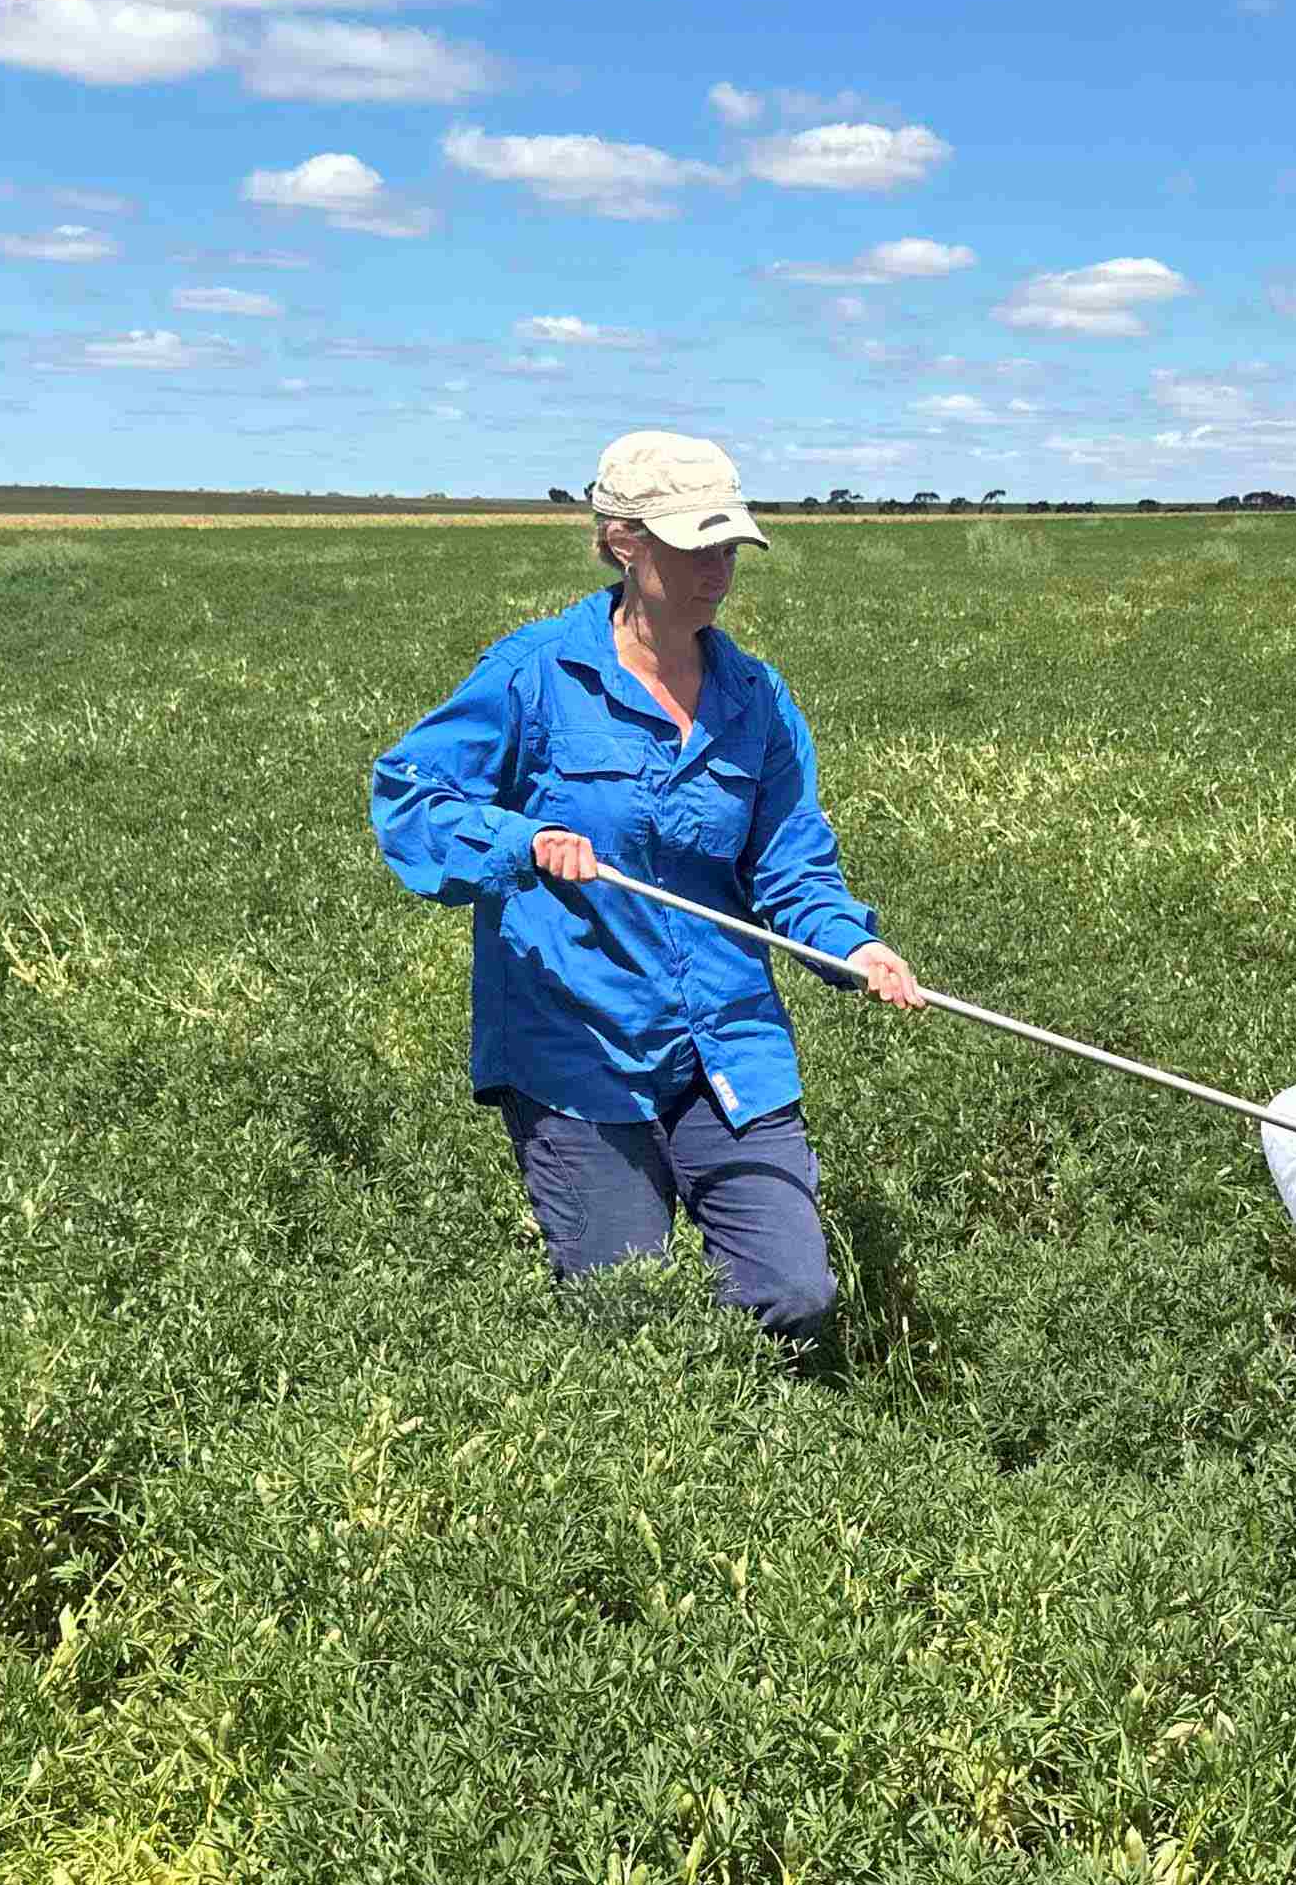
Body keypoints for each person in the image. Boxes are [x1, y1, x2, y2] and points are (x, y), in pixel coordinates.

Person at [371, 430, 924, 1356]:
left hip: (725, 1039)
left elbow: (791, 864)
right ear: (625, 541)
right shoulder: (536, 673)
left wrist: (853, 945)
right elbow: (410, 794)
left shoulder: (756, 699)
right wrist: (520, 840)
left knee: (792, 1293)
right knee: (626, 1317)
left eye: (728, 545)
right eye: (691, 544)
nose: (718, 568)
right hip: (576, 1041)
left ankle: (757, 1443)